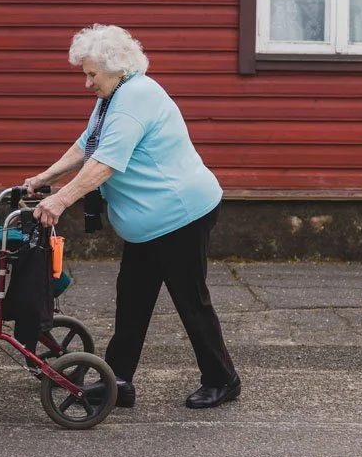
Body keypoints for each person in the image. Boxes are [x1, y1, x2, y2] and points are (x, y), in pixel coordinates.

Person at [22, 23, 240, 410]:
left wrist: (61, 200)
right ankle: (117, 382)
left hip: (180, 214)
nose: (87, 83)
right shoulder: (114, 96)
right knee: (133, 299)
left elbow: (106, 161)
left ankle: (223, 379)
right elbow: (87, 143)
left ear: (117, 67)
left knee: (190, 300)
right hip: (150, 221)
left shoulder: (136, 96)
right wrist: (45, 177)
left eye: (92, 74)